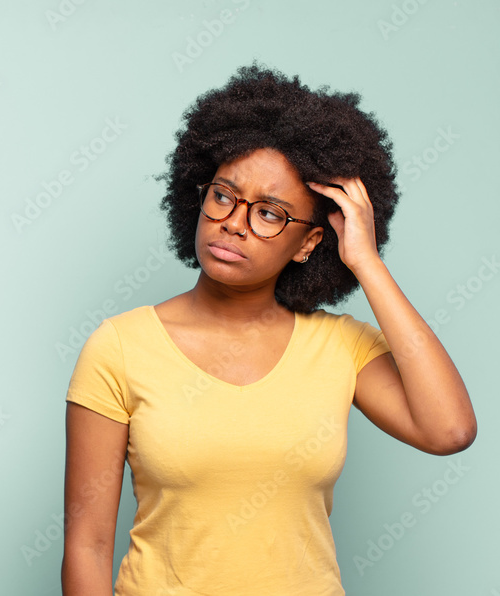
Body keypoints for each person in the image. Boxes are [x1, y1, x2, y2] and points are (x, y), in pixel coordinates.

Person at [61, 65, 476, 595]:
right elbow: (87, 546)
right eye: (224, 196)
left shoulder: (339, 347)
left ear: (309, 243)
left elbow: (450, 431)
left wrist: (366, 263)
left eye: (271, 214)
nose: (234, 222)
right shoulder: (120, 346)